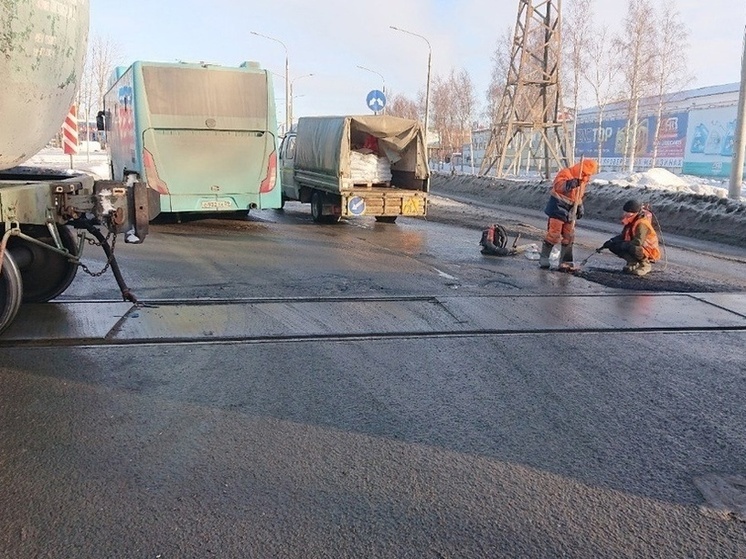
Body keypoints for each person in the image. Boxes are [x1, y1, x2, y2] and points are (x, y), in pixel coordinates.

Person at [539, 158, 599, 270]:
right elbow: (558, 186)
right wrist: (571, 183)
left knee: (569, 236)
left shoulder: (583, 180)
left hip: (571, 210)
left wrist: (580, 206)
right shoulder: (566, 173)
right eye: (585, 173)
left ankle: (565, 261)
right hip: (557, 208)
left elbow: (578, 195)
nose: (587, 176)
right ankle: (544, 258)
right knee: (554, 234)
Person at [598, 199, 661, 276]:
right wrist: (611, 241)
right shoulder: (630, 221)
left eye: (627, 212)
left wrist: (623, 244)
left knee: (633, 248)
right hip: (635, 245)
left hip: (648, 250)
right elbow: (624, 236)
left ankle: (645, 264)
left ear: (634, 213)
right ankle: (633, 262)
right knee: (613, 246)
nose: (625, 214)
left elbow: (638, 242)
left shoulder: (642, 224)